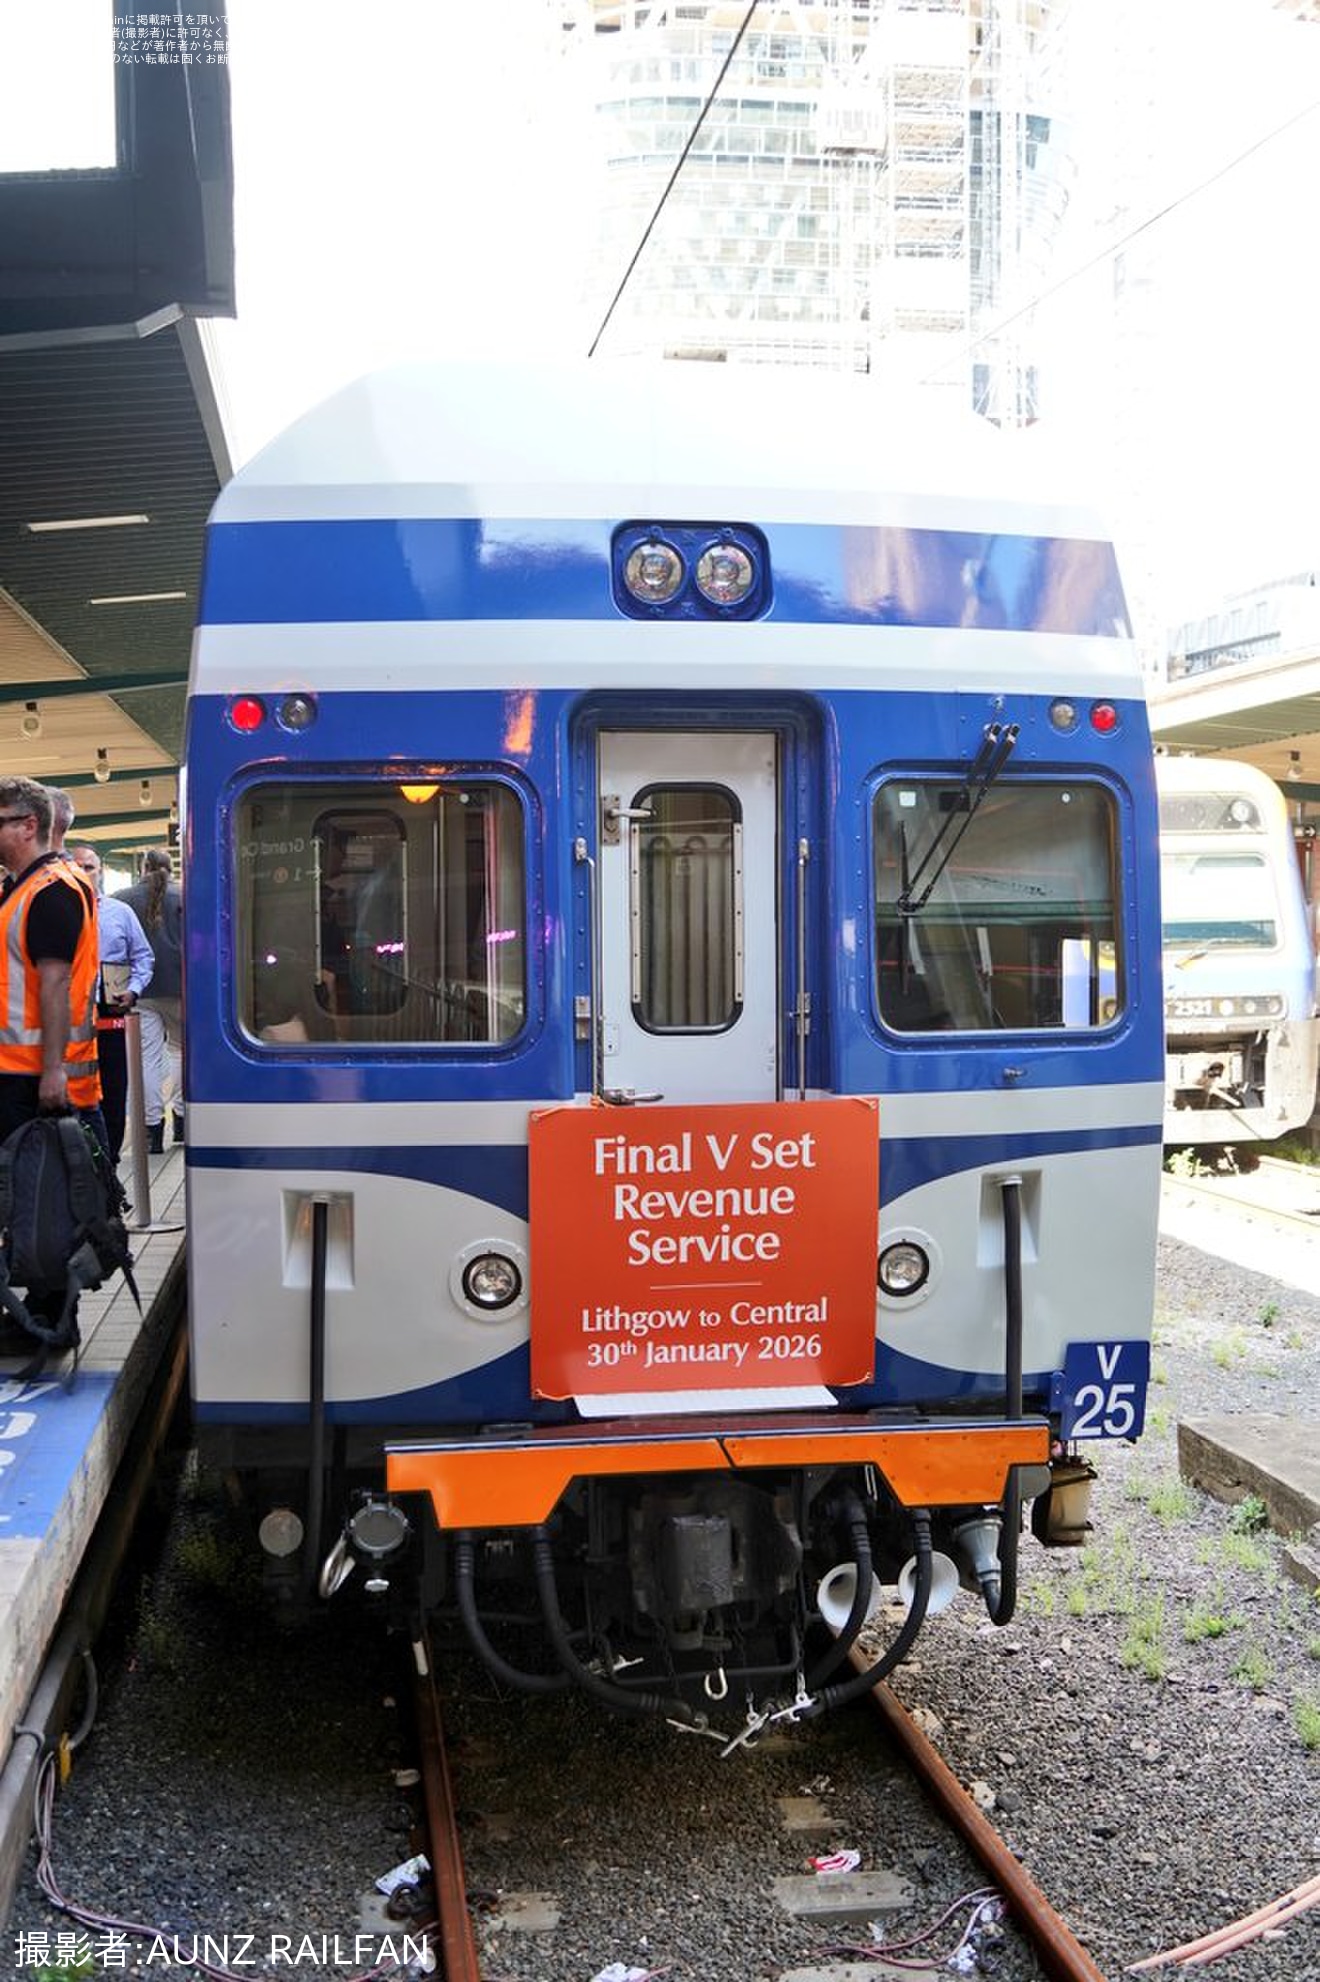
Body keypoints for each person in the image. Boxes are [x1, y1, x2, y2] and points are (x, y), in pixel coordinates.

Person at [0, 778, 105, 1344]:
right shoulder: (24, 889)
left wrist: (52, 1072)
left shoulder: (52, 891)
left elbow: (56, 984)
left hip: (32, 1077)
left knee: (42, 1199)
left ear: (27, 825)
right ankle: (41, 1312)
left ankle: (50, 1320)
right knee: (33, 1197)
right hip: (18, 1071)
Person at [69, 845, 155, 1167]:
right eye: (77, 866)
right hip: (72, 1020)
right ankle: (82, 1162)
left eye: (89, 867)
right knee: (77, 1095)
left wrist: (133, 990)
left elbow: (143, 957)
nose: (83, 873)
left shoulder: (120, 913)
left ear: (100, 871)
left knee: (114, 1092)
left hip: (111, 1016)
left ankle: (111, 1160)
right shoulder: (59, 911)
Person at [113, 849, 183, 1152]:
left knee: (147, 1060)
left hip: (139, 991)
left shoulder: (121, 898)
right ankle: (182, 1120)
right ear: (170, 868)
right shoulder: (184, 896)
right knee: (182, 1053)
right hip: (183, 988)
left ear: (143, 867)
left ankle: (153, 1131)